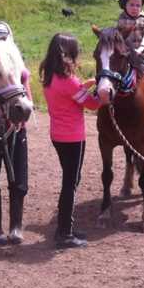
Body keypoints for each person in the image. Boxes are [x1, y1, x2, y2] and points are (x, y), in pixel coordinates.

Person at [41, 33, 103, 248]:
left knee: (69, 180)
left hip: (58, 134)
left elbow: (71, 96)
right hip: (73, 137)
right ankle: (64, 233)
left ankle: (64, 227)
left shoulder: (50, 77)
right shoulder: (69, 81)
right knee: (71, 183)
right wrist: (102, 95)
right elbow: (92, 104)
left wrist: (84, 86)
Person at [0, 21, 32, 245]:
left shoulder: (16, 61)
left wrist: (27, 109)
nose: (1, 41)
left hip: (16, 126)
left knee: (19, 178)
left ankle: (16, 226)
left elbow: (25, 91)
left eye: (4, 37)